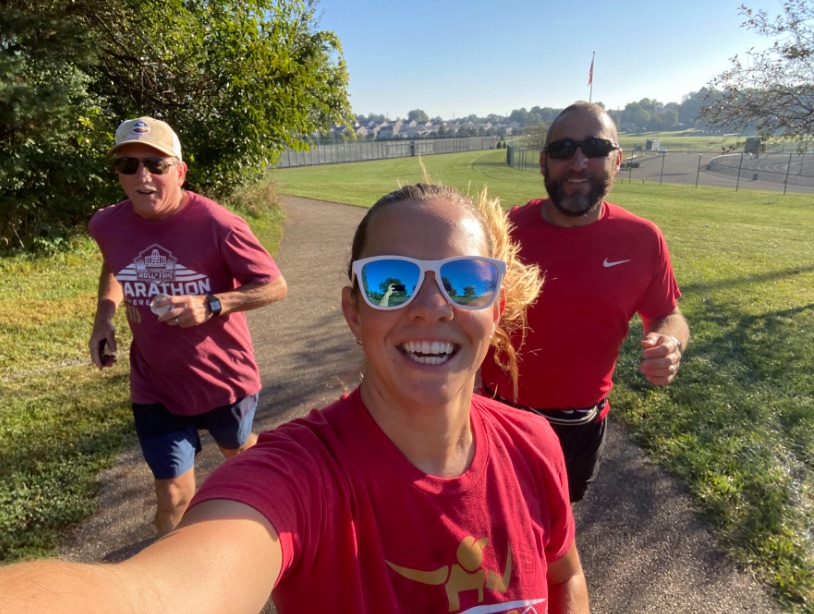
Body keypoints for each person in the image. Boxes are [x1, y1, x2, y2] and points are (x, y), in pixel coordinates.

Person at [0, 184, 590, 613]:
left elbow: (564, 577)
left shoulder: (533, 443)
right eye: (392, 282)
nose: (432, 306)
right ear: (353, 312)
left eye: (466, 282)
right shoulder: (298, 478)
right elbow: (152, 596)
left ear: (496, 306)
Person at [481, 101, 690, 503]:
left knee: (558, 518)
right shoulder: (502, 233)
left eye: (595, 148)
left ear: (617, 160)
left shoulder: (643, 239)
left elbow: (667, 313)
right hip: (499, 414)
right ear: (543, 163)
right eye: (562, 150)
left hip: (579, 427)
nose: (578, 163)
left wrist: (670, 341)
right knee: (494, 518)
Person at [87, 116, 288, 535]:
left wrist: (211, 303)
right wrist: (104, 315)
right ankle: (175, 572)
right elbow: (115, 261)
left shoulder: (218, 224)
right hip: (155, 385)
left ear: (180, 172)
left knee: (241, 459)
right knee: (174, 496)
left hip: (222, 380)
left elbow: (274, 285)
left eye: (156, 165)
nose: (142, 177)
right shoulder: (107, 225)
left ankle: (280, 517)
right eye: (128, 165)